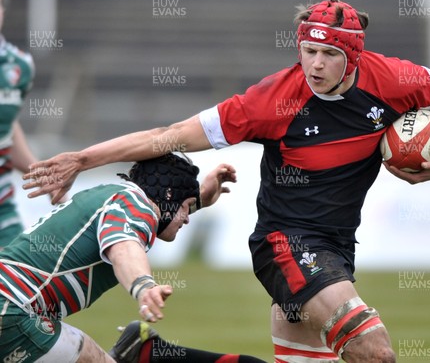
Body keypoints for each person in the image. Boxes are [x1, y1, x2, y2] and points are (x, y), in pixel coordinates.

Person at [24, 0, 430, 362]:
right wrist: (83, 159)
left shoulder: (392, 79)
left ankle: (153, 356)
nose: (314, 65)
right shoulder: (272, 100)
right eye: (308, 51)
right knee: (374, 349)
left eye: (329, 54)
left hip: (336, 246)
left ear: (353, 56)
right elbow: (170, 136)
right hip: (287, 243)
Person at [0, 152, 264, 362]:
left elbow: (153, 222)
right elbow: (123, 245)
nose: (186, 218)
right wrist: (143, 285)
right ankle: (137, 351)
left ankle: (135, 351)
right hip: (13, 309)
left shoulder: (113, 195)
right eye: (186, 208)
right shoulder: (137, 205)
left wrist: (200, 200)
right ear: (169, 197)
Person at [0, 0, 65, 249]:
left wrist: (41, 173)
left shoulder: (19, 66)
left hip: (3, 211)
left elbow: (7, 128)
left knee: (21, 287)